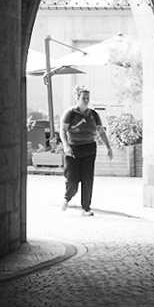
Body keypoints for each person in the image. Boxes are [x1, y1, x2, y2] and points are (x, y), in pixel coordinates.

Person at [59, 86, 116, 215]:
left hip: (89, 148)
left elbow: (101, 131)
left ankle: (86, 208)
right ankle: (67, 197)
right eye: (83, 98)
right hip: (73, 149)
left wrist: (108, 147)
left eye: (87, 98)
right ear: (77, 98)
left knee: (87, 179)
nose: (86, 100)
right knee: (72, 179)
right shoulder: (70, 113)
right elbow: (62, 130)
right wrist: (66, 145)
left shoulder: (93, 114)